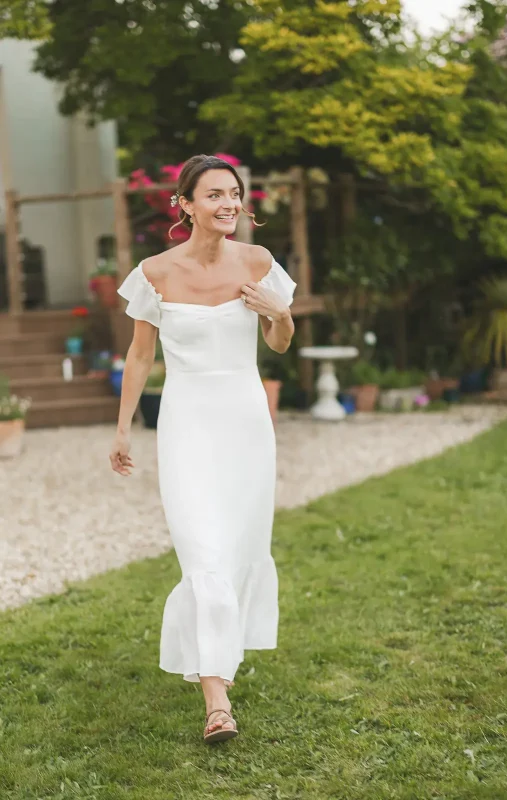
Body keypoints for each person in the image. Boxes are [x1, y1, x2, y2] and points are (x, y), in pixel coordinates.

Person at [109, 154, 297, 744]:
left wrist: (280, 313)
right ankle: (217, 703)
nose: (229, 204)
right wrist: (121, 429)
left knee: (239, 547)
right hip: (186, 423)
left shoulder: (259, 262)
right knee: (201, 554)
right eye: (214, 194)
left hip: (245, 424)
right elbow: (141, 356)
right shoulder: (156, 272)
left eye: (235, 194)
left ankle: (217, 664)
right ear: (185, 205)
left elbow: (281, 342)